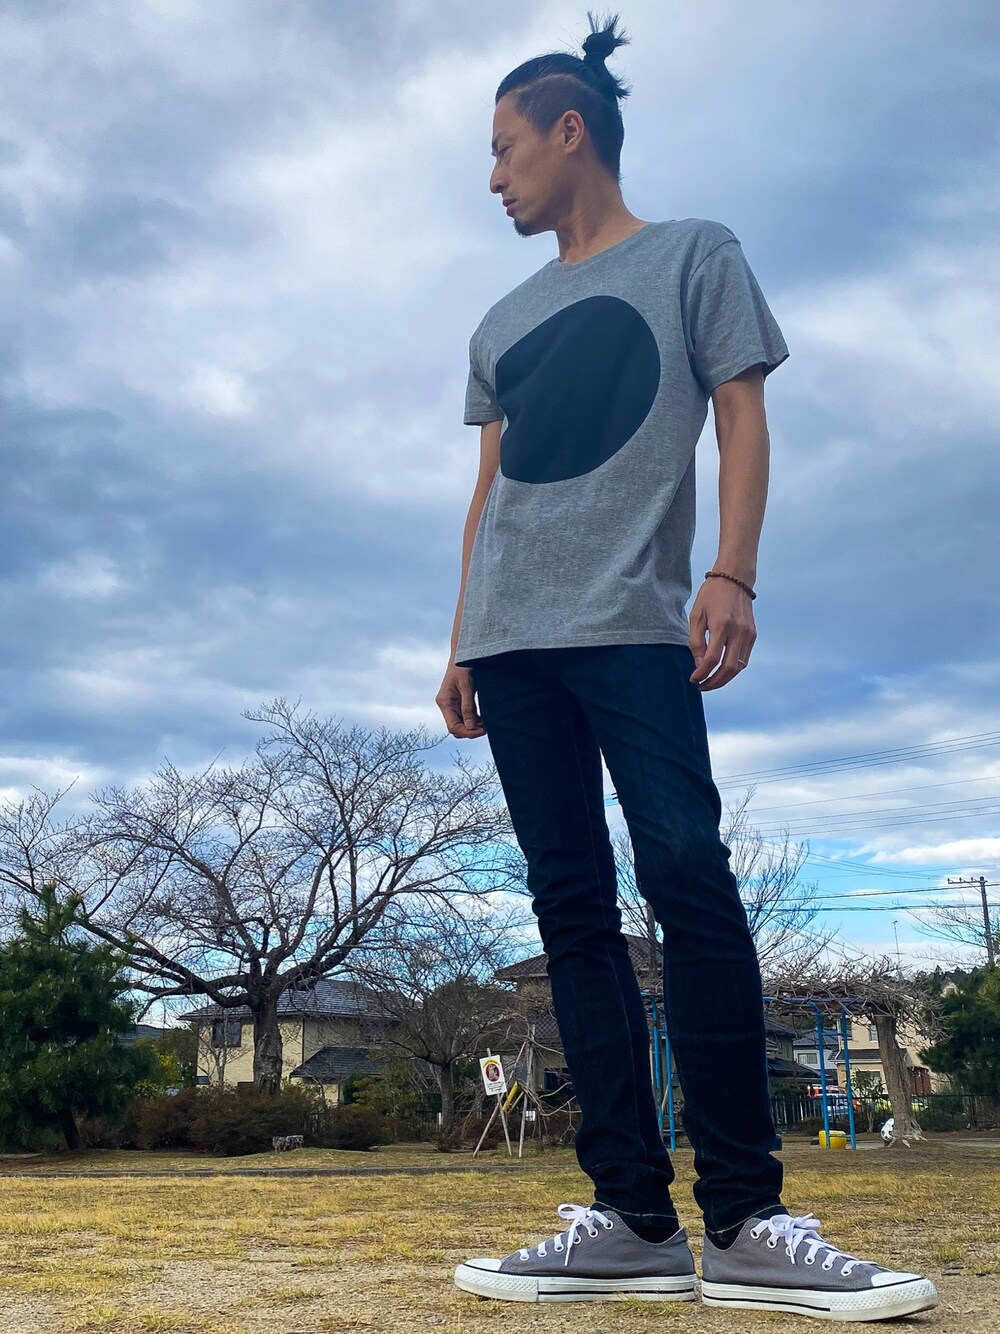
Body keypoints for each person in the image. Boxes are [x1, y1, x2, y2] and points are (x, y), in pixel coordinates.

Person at [434, 11, 937, 1322]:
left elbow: (740, 415)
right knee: (569, 909)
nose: (493, 178)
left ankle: (752, 1218)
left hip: (635, 622)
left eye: (503, 150)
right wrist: (460, 638)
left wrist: (733, 571)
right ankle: (633, 1221)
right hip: (512, 641)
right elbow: (489, 492)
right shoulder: (501, 322)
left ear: (570, 132)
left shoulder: (695, 254)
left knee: (690, 881)